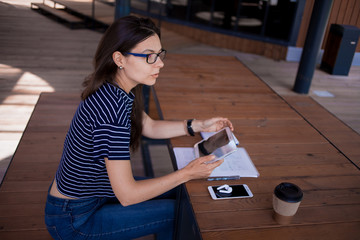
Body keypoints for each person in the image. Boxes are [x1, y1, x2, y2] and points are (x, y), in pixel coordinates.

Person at [45, 15, 234, 240]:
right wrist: (187, 172)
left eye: (160, 54)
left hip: (95, 195)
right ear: (119, 59)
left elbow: (151, 127)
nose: (160, 63)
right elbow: (127, 195)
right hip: (75, 219)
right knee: (179, 211)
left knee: (183, 193)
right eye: (149, 57)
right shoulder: (110, 113)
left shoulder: (115, 88)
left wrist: (199, 125)